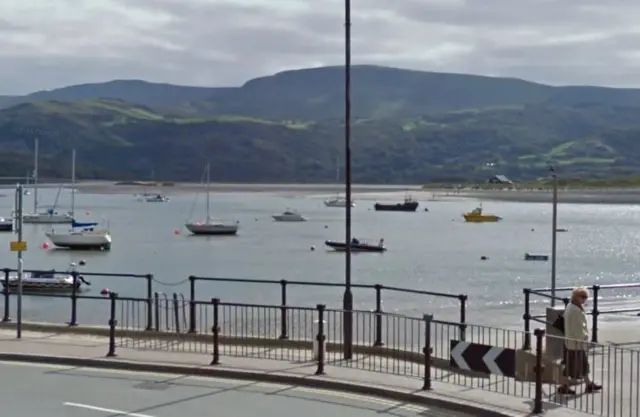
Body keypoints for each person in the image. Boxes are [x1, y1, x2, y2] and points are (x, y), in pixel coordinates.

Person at [558, 287, 602, 395]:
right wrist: (584, 337)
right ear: (575, 296)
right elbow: (578, 328)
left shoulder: (572, 306)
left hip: (572, 342)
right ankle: (564, 386)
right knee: (572, 365)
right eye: (582, 297)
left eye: (586, 297)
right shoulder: (575, 310)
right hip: (576, 342)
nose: (584, 299)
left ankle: (588, 384)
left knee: (581, 364)